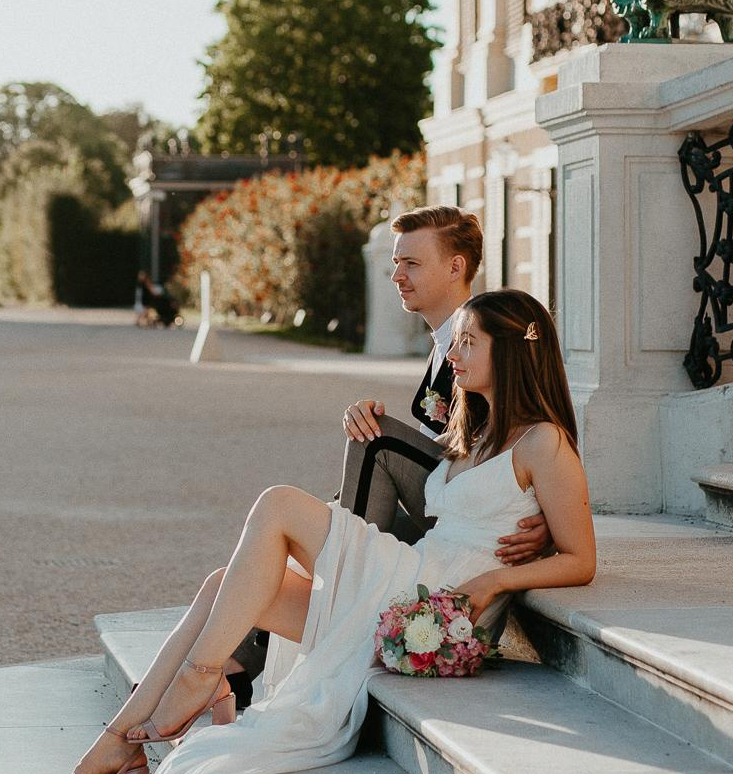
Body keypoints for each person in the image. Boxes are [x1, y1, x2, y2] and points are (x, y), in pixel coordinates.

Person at [0, 287, 597, 774]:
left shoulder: (544, 442)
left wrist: (500, 579)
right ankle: (124, 734)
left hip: (431, 595)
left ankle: (199, 680)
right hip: (408, 580)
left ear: (513, 353)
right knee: (220, 584)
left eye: (471, 341)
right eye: (458, 339)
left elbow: (582, 558)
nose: (456, 353)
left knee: (280, 505)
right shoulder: (474, 433)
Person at [221, 205, 548, 704]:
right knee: (327, 509)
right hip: (444, 503)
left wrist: (543, 518)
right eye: (396, 263)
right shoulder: (443, 344)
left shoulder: (486, 341)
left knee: (372, 447)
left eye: (411, 263)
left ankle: (283, 635)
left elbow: (533, 436)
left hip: (464, 529)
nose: (396, 276)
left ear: (456, 267)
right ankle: (240, 657)